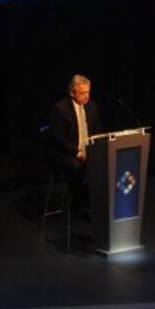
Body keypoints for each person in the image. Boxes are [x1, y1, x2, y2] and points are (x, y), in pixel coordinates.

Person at [47, 74, 103, 217]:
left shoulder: (91, 106)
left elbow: (97, 131)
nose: (86, 96)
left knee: (103, 163)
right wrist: (78, 153)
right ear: (72, 93)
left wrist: (96, 149)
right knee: (77, 167)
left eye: (88, 92)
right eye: (82, 93)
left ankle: (90, 201)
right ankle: (77, 203)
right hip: (66, 153)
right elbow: (58, 138)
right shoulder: (60, 109)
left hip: (87, 150)